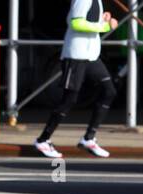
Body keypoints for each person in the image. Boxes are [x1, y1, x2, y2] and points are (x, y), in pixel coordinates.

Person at [34, 0, 117, 159]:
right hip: (76, 55)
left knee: (109, 91)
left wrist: (102, 19)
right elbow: (76, 23)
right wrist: (105, 26)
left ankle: (89, 138)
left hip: (91, 56)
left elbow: (88, 20)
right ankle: (43, 140)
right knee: (69, 99)